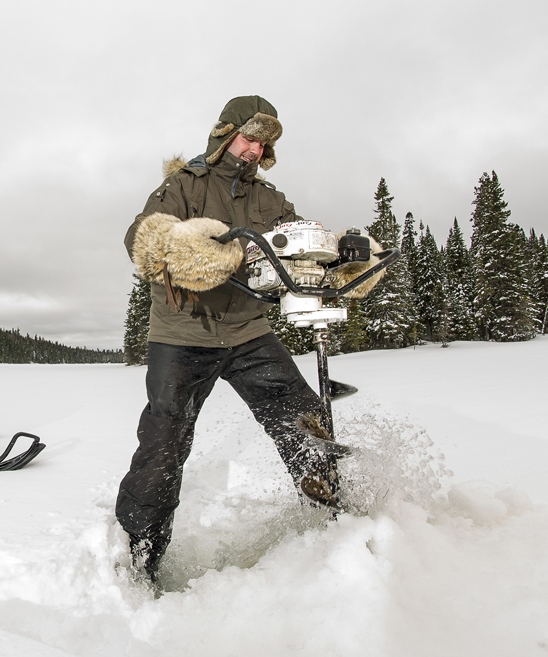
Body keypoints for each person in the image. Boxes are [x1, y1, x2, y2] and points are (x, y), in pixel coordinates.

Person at [115, 95, 382, 581]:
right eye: (249, 137)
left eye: (264, 143)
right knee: (165, 441)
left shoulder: (270, 200)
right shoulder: (183, 185)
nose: (255, 150)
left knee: (305, 419)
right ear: (224, 134)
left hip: (249, 332)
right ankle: (140, 555)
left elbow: (301, 243)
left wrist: (344, 256)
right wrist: (189, 246)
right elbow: (143, 239)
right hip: (183, 332)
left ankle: (335, 523)